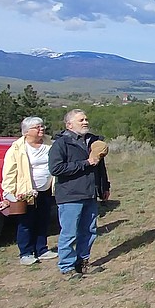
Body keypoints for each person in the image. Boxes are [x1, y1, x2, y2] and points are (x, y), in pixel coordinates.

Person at [48, 109, 111, 280]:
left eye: (86, 119)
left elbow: (100, 167)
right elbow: (56, 169)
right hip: (70, 195)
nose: (85, 122)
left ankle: (83, 262)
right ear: (69, 125)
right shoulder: (61, 144)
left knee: (89, 231)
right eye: (81, 120)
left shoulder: (92, 141)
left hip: (90, 194)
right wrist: (85, 163)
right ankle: (67, 267)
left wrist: (104, 187)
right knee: (69, 233)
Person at [1, 116, 57, 265]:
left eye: (42, 126)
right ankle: (25, 253)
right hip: (26, 192)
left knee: (43, 220)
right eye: (37, 127)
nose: (42, 129)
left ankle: (42, 249)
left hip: (46, 189)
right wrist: (8, 192)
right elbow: (9, 172)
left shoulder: (49, 143)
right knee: (26, 223)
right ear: (26, 132)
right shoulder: (17, 149)